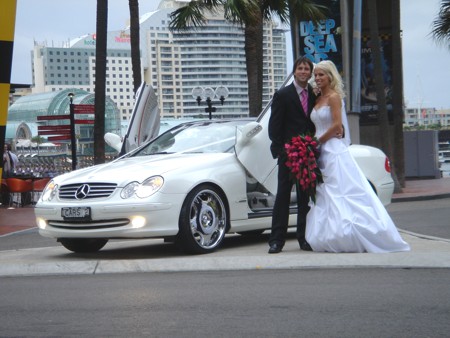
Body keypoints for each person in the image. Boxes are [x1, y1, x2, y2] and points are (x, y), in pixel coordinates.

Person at [305, 60, 410, 253]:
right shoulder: (317, 98)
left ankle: (353, 233)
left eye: (321, 75)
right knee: (325, 194)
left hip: (333, 151)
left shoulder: (334, 98)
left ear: (330, 76)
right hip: (319, 153)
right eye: (316, 75)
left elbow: (337, 126)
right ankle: (330, 235)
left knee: (342, 192)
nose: (318, 78)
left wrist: (316, 142)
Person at [267, 56, 317, 254]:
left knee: (305, 198)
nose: (304, 72)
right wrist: (281, 151)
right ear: (294, 71)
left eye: (307, 69)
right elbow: (274, 127)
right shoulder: (282, 95)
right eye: (300, 68)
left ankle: (304, 238)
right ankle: (276, 241)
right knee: (283, 197)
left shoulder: (314, 94)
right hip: (288, 155)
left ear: (310, 73)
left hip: (309, 154)